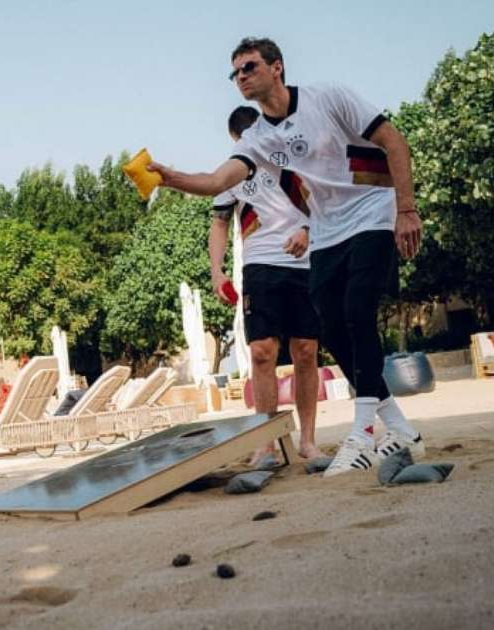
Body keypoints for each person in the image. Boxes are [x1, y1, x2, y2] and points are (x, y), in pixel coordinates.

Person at [148, 37, 425, 477]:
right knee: (332, 329)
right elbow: (217, 180)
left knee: (356, 312)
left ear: (277, 67)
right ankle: (398, 427)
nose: (240, 77)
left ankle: (363, 434)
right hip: (328, 228)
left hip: (373, 210)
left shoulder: (328, 97)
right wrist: (170, 178)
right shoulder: (258, 139)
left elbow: (394, 142)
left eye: (249, 67)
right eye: (235, 72)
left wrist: (406, 210)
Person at [211, 105, 324, 462]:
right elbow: (219, 223)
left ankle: (307, 440)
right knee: (261, 353)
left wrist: (308, 231)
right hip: (258, 266)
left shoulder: (293, 158)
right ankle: (266, 444)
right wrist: (217, 271)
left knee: (306, 350)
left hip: (305, 264)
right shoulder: (231, 170)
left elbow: (324, 203)